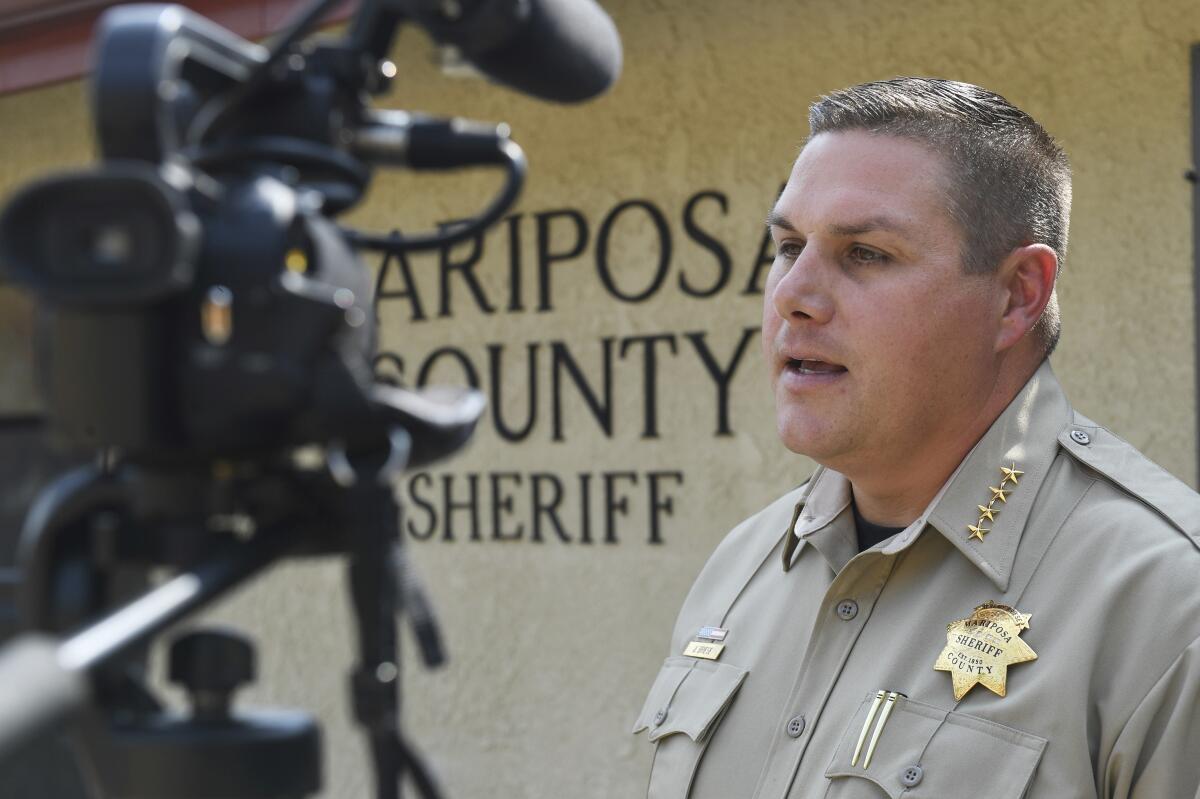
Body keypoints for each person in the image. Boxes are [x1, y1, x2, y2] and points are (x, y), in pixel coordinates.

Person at [632, 77, 1200, 798]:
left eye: (865, 252)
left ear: (1018, 294)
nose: (792, 296)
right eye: (786, 247)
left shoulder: (1167, 603)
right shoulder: (742, 567)